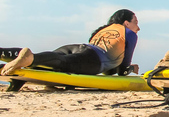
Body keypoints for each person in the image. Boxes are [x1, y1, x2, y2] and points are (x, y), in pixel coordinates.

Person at [0, 9, 140, 76]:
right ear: (126, 23)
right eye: (135, 23)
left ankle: (3, 56)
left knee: (50, 61)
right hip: (93, 59)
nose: (138, 27)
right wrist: (131, 69)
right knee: (60, 63)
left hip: (78, 48)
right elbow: (120, 71)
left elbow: (109, 64)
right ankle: (30, 58)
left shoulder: (103, 30)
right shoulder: (129, 34)